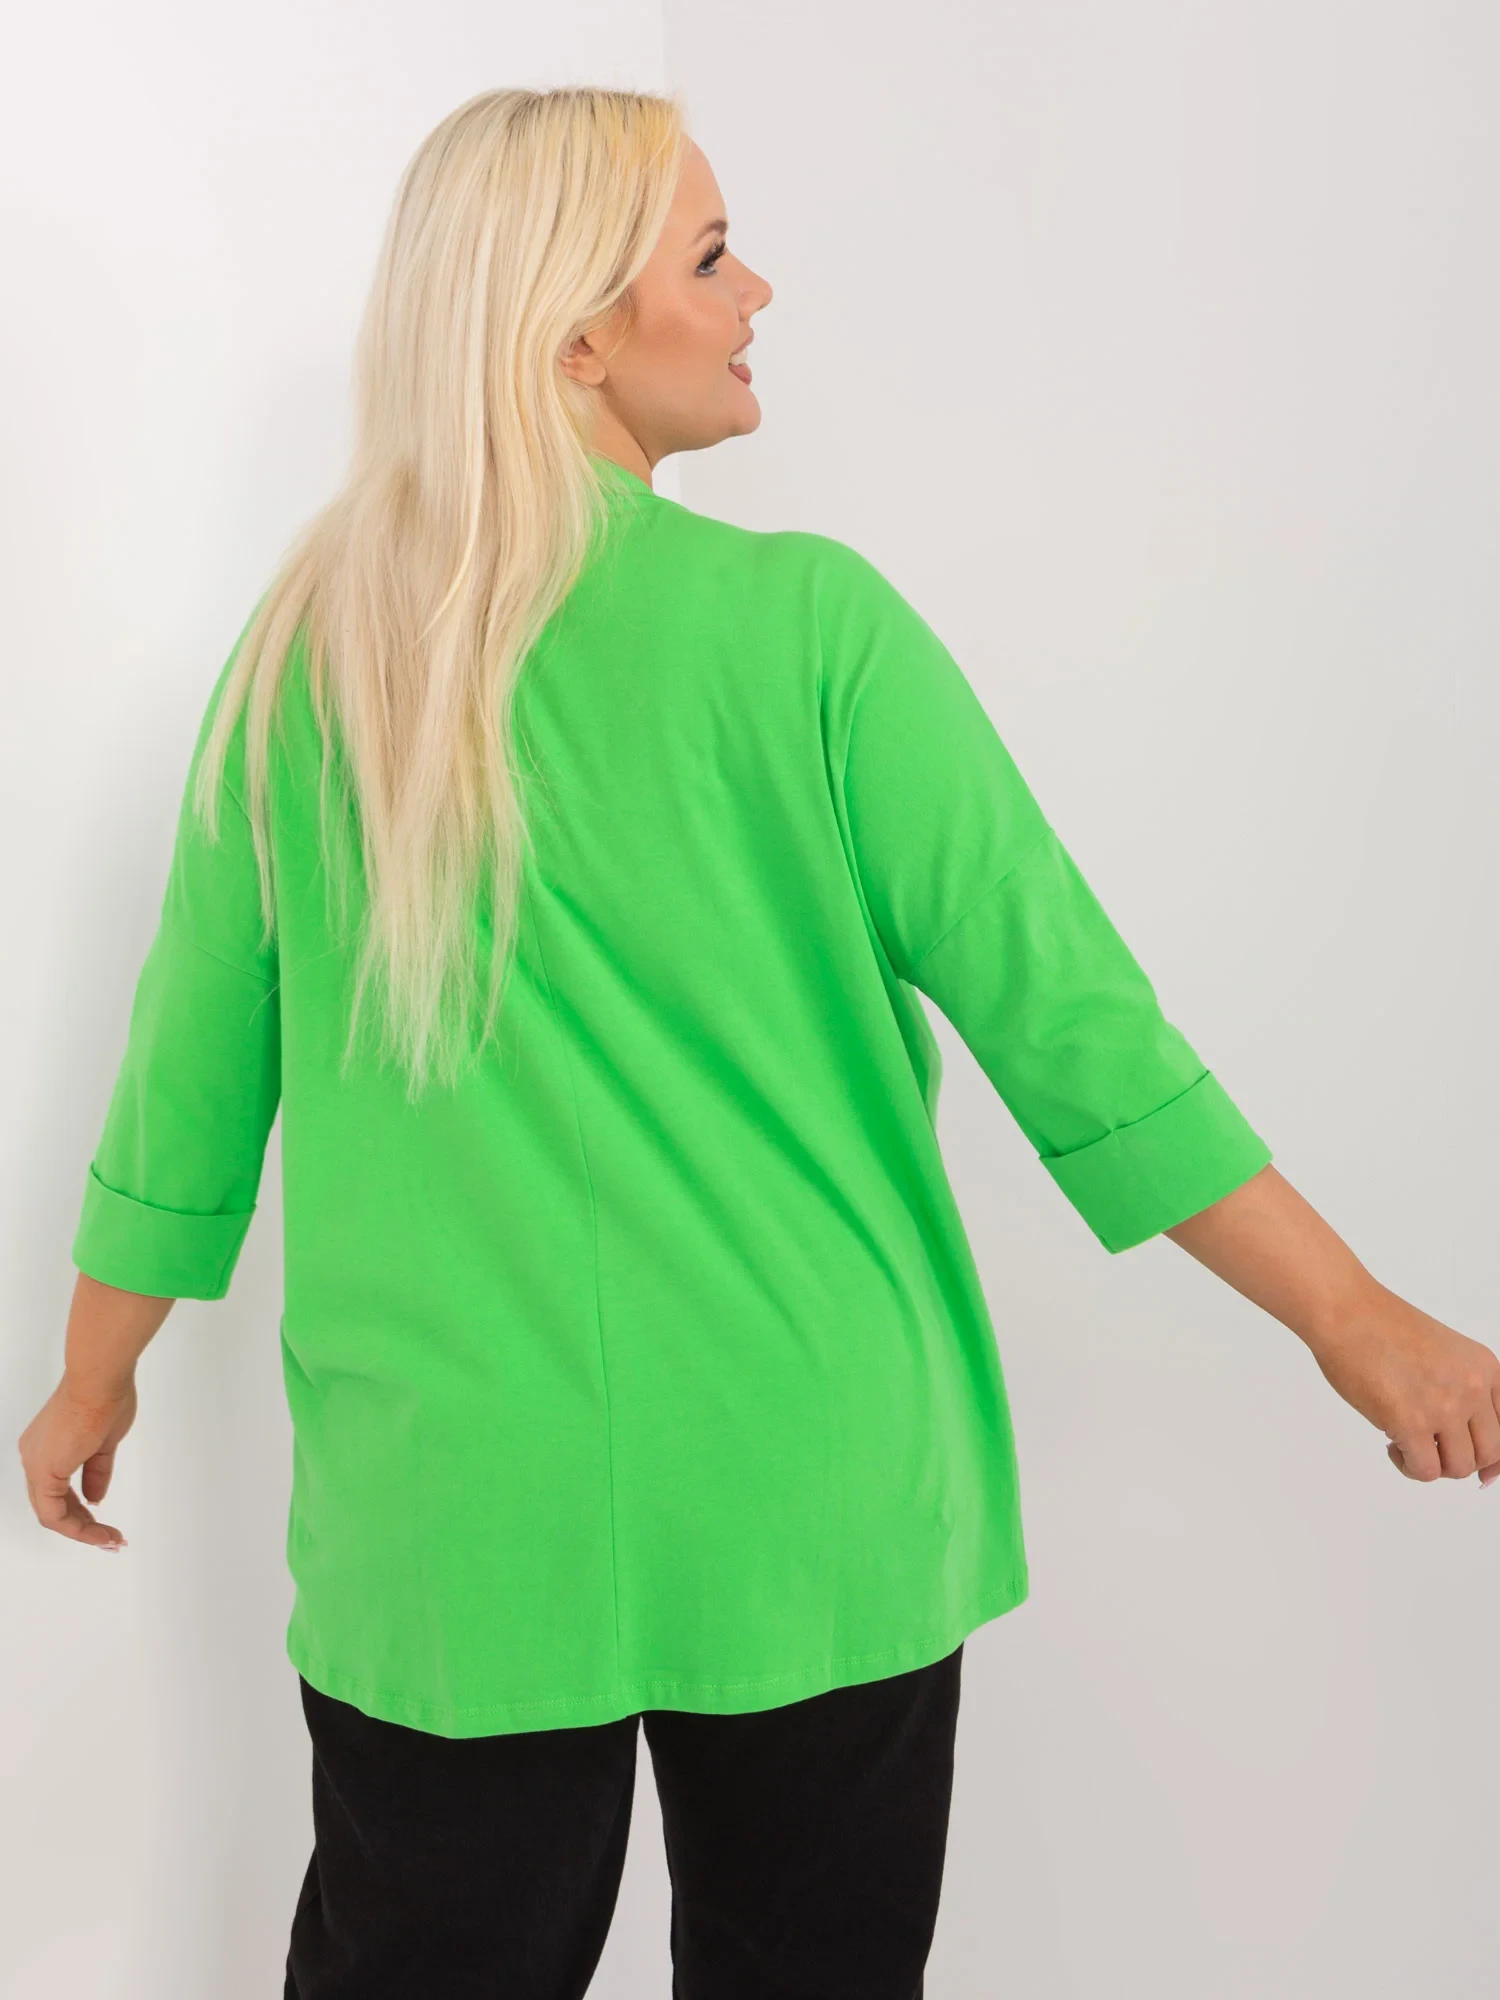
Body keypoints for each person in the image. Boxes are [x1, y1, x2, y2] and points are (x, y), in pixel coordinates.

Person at [17, 83, 1500, 2000]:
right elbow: (1075, 1025)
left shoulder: (314, 662)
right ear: (574, 334)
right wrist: (1349, 1314)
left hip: (460, 1520)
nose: (758, 294)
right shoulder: (812, 631)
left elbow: (191, 1082)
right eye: (711, 258)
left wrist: (95, 1371)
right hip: (814, 1485)